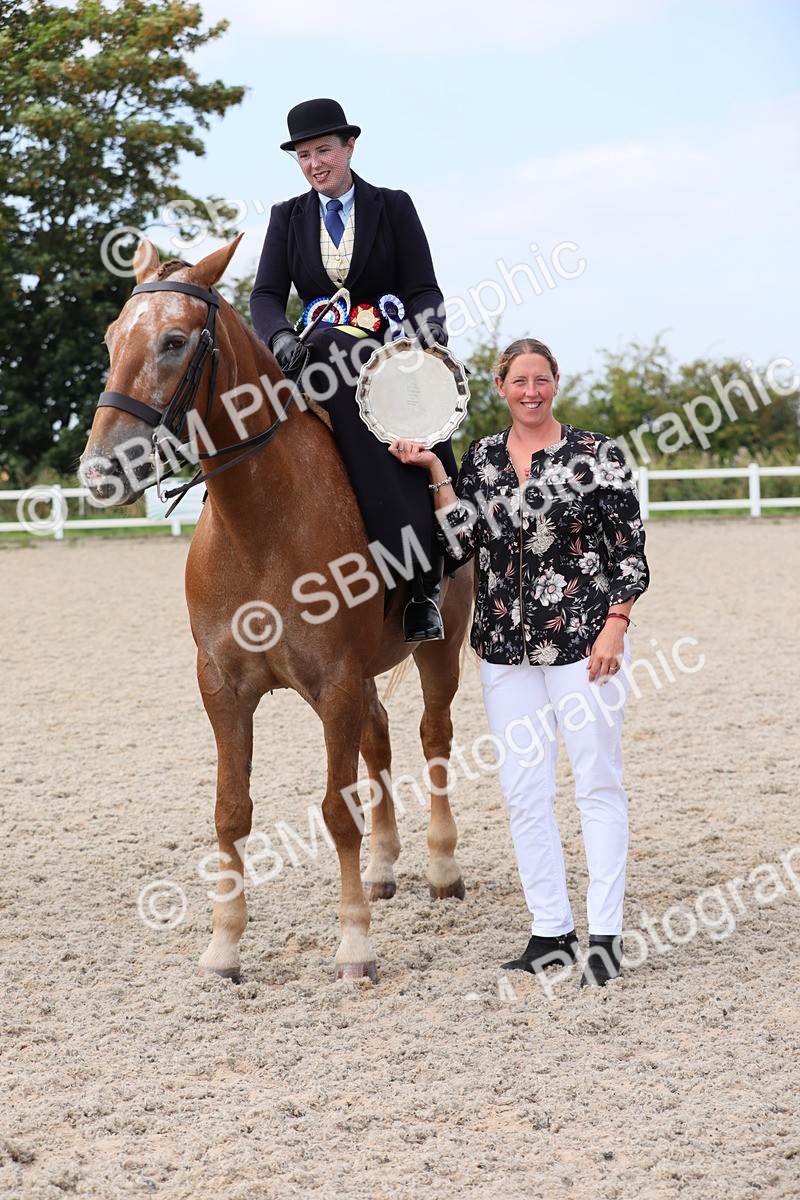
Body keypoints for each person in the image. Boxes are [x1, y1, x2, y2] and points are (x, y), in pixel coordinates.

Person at [390, 338, 650, 988]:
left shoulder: (596, 455)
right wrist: (434, 471)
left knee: (596, 783)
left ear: (555, 382)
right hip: (504, 650)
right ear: (501, 386)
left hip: (584, 643)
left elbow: (629, 552)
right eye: (518, 381)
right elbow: (462, 541)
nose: (530, 391)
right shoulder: (480, 456)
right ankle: (550, 932)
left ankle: (607, 937)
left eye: (540, 379)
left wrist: (616, 625)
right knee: (524, 792)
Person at [250, 97, 459, 641]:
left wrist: (424, 346)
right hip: (311, 349)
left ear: (349, 146)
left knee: (400, 413)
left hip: (388, 348)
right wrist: (277, 338)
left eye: (323, 150)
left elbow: (422, 289)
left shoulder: (393, 206)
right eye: (303, 155)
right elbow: (267, 294)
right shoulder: (286, 217)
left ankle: (421, 583)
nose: (315, 164)